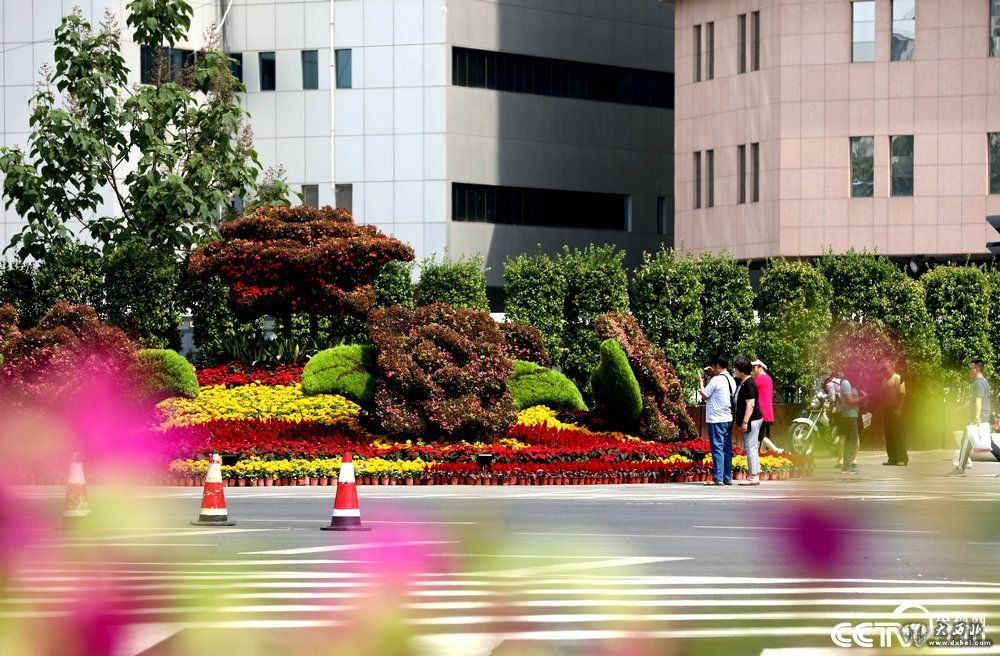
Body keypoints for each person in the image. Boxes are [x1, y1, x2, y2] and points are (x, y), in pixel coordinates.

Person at [950, 360, 1000, 476]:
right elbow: (973, 401)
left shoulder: (979, 383)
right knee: (987, 444)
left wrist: (977, 418)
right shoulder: (983, 382)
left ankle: (960, 468)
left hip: (978, 418)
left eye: (970, 368)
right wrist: (960, 409)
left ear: (976, 369)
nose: (969, 370)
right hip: (982, 417)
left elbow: (979, 401)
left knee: (966, 441)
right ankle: (962, 466)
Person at [698, 355, 736, 486]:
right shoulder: (731, 379)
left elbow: (705, 395)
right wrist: (712, 374)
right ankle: (727, 477)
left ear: (718, 366)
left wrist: (701, 381)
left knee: (717, 448)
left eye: (714, 367)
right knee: (726, 448)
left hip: (716, 419)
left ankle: (718, 478)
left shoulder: (716, 380)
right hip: (728, 418)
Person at [734, 357, 764, 485]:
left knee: (750, 447)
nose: (735, 371)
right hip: (753, 419)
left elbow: (750, 404)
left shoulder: (749, 384)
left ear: (741, 370)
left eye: (736, 369)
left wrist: (745, 422)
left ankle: (753, 476)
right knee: (752, 447)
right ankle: (755, 474)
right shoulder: (744, 382)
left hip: (752, 420)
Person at [751, 359, 783, 453]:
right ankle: (764, 454)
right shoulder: (768, 378)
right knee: (763, 436)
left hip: (760, 411)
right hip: (767, 411)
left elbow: (750, 389)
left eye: (754, 367)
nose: (753, 370)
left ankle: (776, 450)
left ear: (760, 367)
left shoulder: (760, 378)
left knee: (760, 436)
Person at [881, 359, 907, 466]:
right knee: (889, 435)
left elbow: (903, 394)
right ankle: (892, 458)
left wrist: (899, 409)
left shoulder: (898, 378)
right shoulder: (883, 381)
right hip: (887, 410)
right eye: (883, 369)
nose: (884, 371)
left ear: (892, 368)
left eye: (886, 368)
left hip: (896, 409)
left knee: (898, 434)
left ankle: (902, 459)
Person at [838, 369, 863, 475]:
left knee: (851, 441)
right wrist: (864, 398)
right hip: (849, 417)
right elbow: (850, 401)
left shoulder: (850, 384)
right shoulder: (846, 383)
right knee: (851, 442)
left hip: (852, 416)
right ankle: (847, 467)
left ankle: (847, 466)